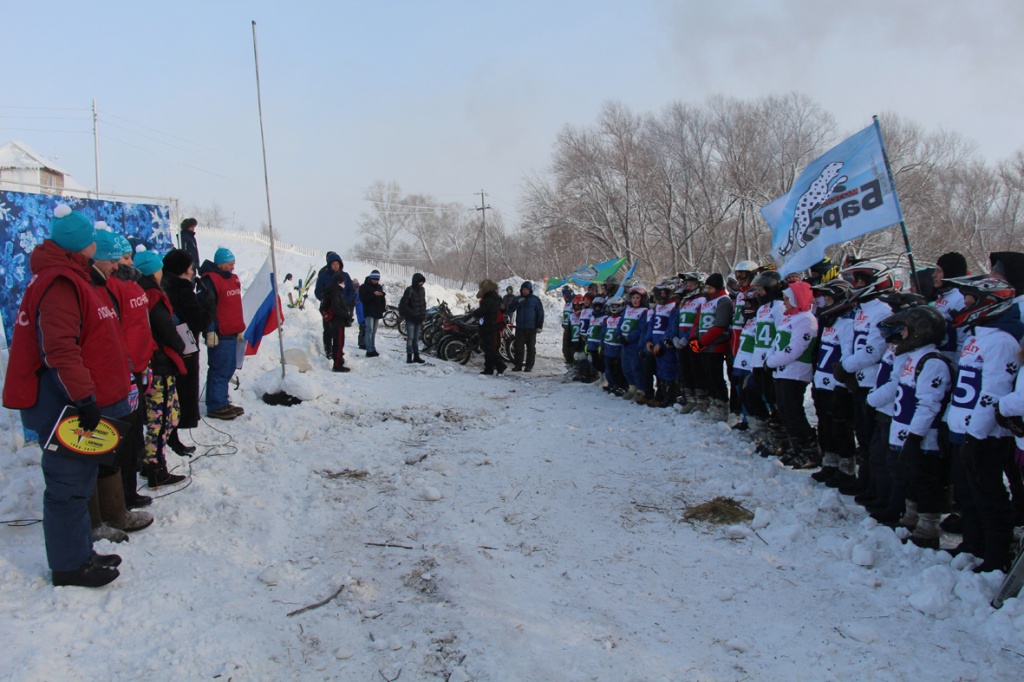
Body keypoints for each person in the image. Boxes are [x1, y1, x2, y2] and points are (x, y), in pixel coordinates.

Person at [3, 205, 132, 587]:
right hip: (68, 404)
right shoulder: (61, 282)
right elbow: (59, 349)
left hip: (81, 399)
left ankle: (79, 552)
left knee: (77, 484)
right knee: (67, 487)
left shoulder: (75, 277)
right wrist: (85, 397)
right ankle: (69, 565)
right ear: (82, 245)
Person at [136, 250, 190, 488]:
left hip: (156, 363)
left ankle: (152, 460)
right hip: (159, 364)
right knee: (161, 418)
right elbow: (165, 329)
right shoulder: (152, 296)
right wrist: (180, 345)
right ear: (153, 270)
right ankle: (155, 467)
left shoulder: (141, 292)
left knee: (170, 414)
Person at [162, 248, 212, 438]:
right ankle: (175, 431)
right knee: (182, 391)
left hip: (174, 345)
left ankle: (172, 435)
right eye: (189, 268)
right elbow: (199, 320)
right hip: (184, 347)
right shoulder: (182, 291)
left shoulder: (165, 285)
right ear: (181, 270)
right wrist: (208, 303)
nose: (193, 271)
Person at [198, 247, 245, 420]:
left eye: (233, 264)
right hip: (220, 333)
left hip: (232, 332)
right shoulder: (210, 281)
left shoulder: (232, 279)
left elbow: (234, 305)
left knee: (229, 367)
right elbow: (208, 308)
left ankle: (222, 401)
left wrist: (239, 327)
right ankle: (216, 404)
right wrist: (210, 330)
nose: (233, 267)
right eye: (230, 264)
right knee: (219, 368)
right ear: (220, 264)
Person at [467, 279, 507, 376]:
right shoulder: (494, 297)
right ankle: (489, 368)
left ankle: (500, 365)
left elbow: (482, 310)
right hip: (490, 325)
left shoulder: (489, 299)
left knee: (488, 348)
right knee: (488, 348)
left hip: (489, 326)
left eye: (482, 288)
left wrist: (472, 315)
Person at [508, 281, 545, 372]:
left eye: (527, 290)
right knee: (518, 347)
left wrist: (539, 325)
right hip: (520, 327)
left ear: (530, 290)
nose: (525, 291)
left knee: (531, 348)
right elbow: (511, 309)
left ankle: (529, 366)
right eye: (523, 289)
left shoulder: (535, 300)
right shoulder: (518, 299)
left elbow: (540, 313)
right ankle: (518, 365)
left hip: (531, 327)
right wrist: (517, 303)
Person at [322, 271, 354, 372]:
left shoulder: (333, 290)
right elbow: (336, 308)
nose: (344, 284)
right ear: (338, 282)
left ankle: (339, 359)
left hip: (335, 320)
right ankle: (337, 364)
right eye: (343, 282)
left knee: (338, 342)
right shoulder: (335, 292)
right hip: (338, 321)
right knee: (339, 342)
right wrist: (347, 315)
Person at [399, 273, 427, 363]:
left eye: (422, 281)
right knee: (410, 338)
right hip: (411, 318)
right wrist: (413, 313)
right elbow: (404, 304)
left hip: (419, 318)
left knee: (416, 338)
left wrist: (423, 314)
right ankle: (409, 356)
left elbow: (423, 303)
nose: (421, 283)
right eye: (419, 281)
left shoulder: (422, 290)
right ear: (415, 281)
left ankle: (416, 356)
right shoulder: (409, 290)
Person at [358, 270, 386, 357]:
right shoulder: (364, 287)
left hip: (377, 311)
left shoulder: (379, 287)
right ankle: (369, 349)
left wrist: (382, 307)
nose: (375, 281)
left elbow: (382, 300)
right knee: (369, 329)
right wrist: (373, 294)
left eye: (377, 280)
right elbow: (363, 299)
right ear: (370, 278)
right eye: (374, 279)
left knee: (373, 331)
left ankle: (372, 348)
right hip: (368, 311)